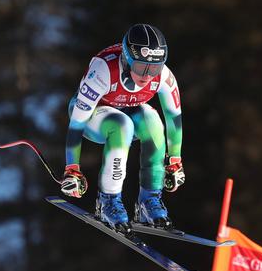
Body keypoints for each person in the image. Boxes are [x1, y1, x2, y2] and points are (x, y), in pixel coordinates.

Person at [60, 23, 185, 234]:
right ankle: (108, 201)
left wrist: (174, 160)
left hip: (126, 109)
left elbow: (173, 118)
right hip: (93, 116)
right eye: (140, 67)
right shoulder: (103, 70)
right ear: (126, 59)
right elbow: (76, 124)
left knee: (153, 121)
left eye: (153, 68)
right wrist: (72, 168)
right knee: (122, 125)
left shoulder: (163, 76)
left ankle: (149, 201)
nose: (147, 76)